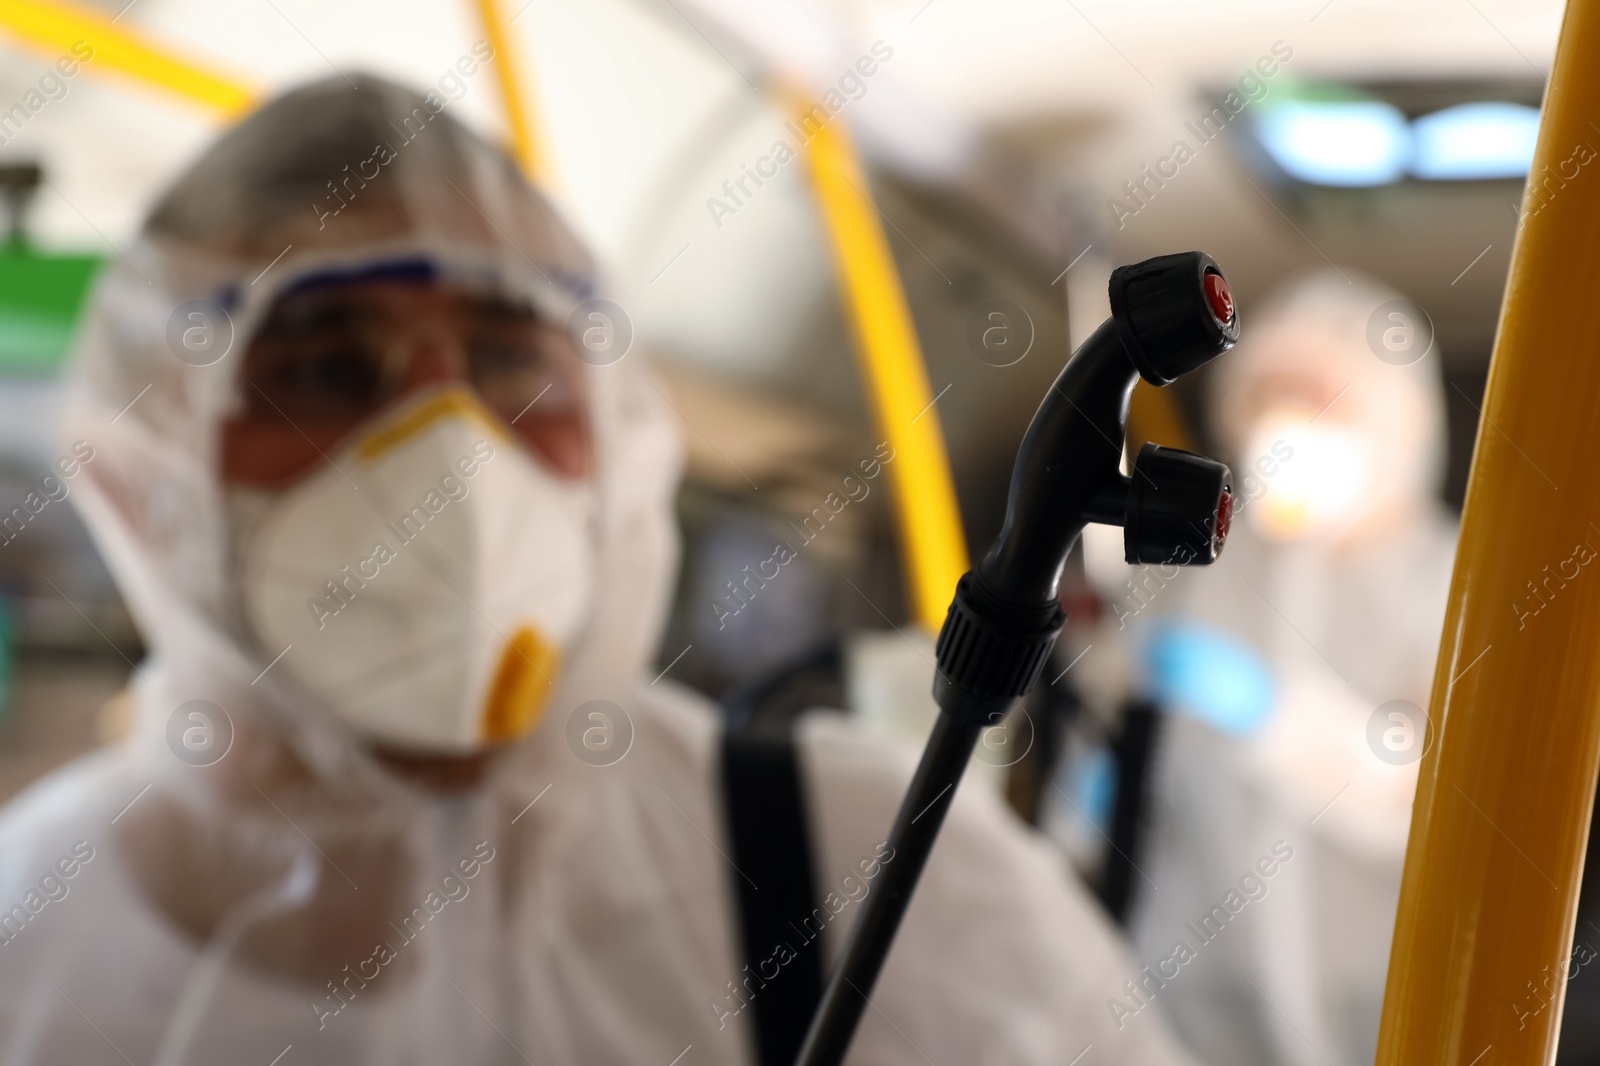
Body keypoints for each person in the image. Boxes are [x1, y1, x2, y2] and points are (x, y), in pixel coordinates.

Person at [0, 74, 1195, 1066]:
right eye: (324, 373)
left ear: (614, 435)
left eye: (511, 364)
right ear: (154, 464)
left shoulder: (870, 865)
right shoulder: (31, 941)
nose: (451, 454)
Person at [1124, 270, 1458, 1066]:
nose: (1288, 424)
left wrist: (1273, 715)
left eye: (1322, 399)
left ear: (1396, 424)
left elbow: (1430, 793)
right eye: (1271, 393)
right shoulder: (1205, 569)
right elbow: (1124, 713)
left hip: (1369, 987)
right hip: (1192, 988)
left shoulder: (1450, 583)